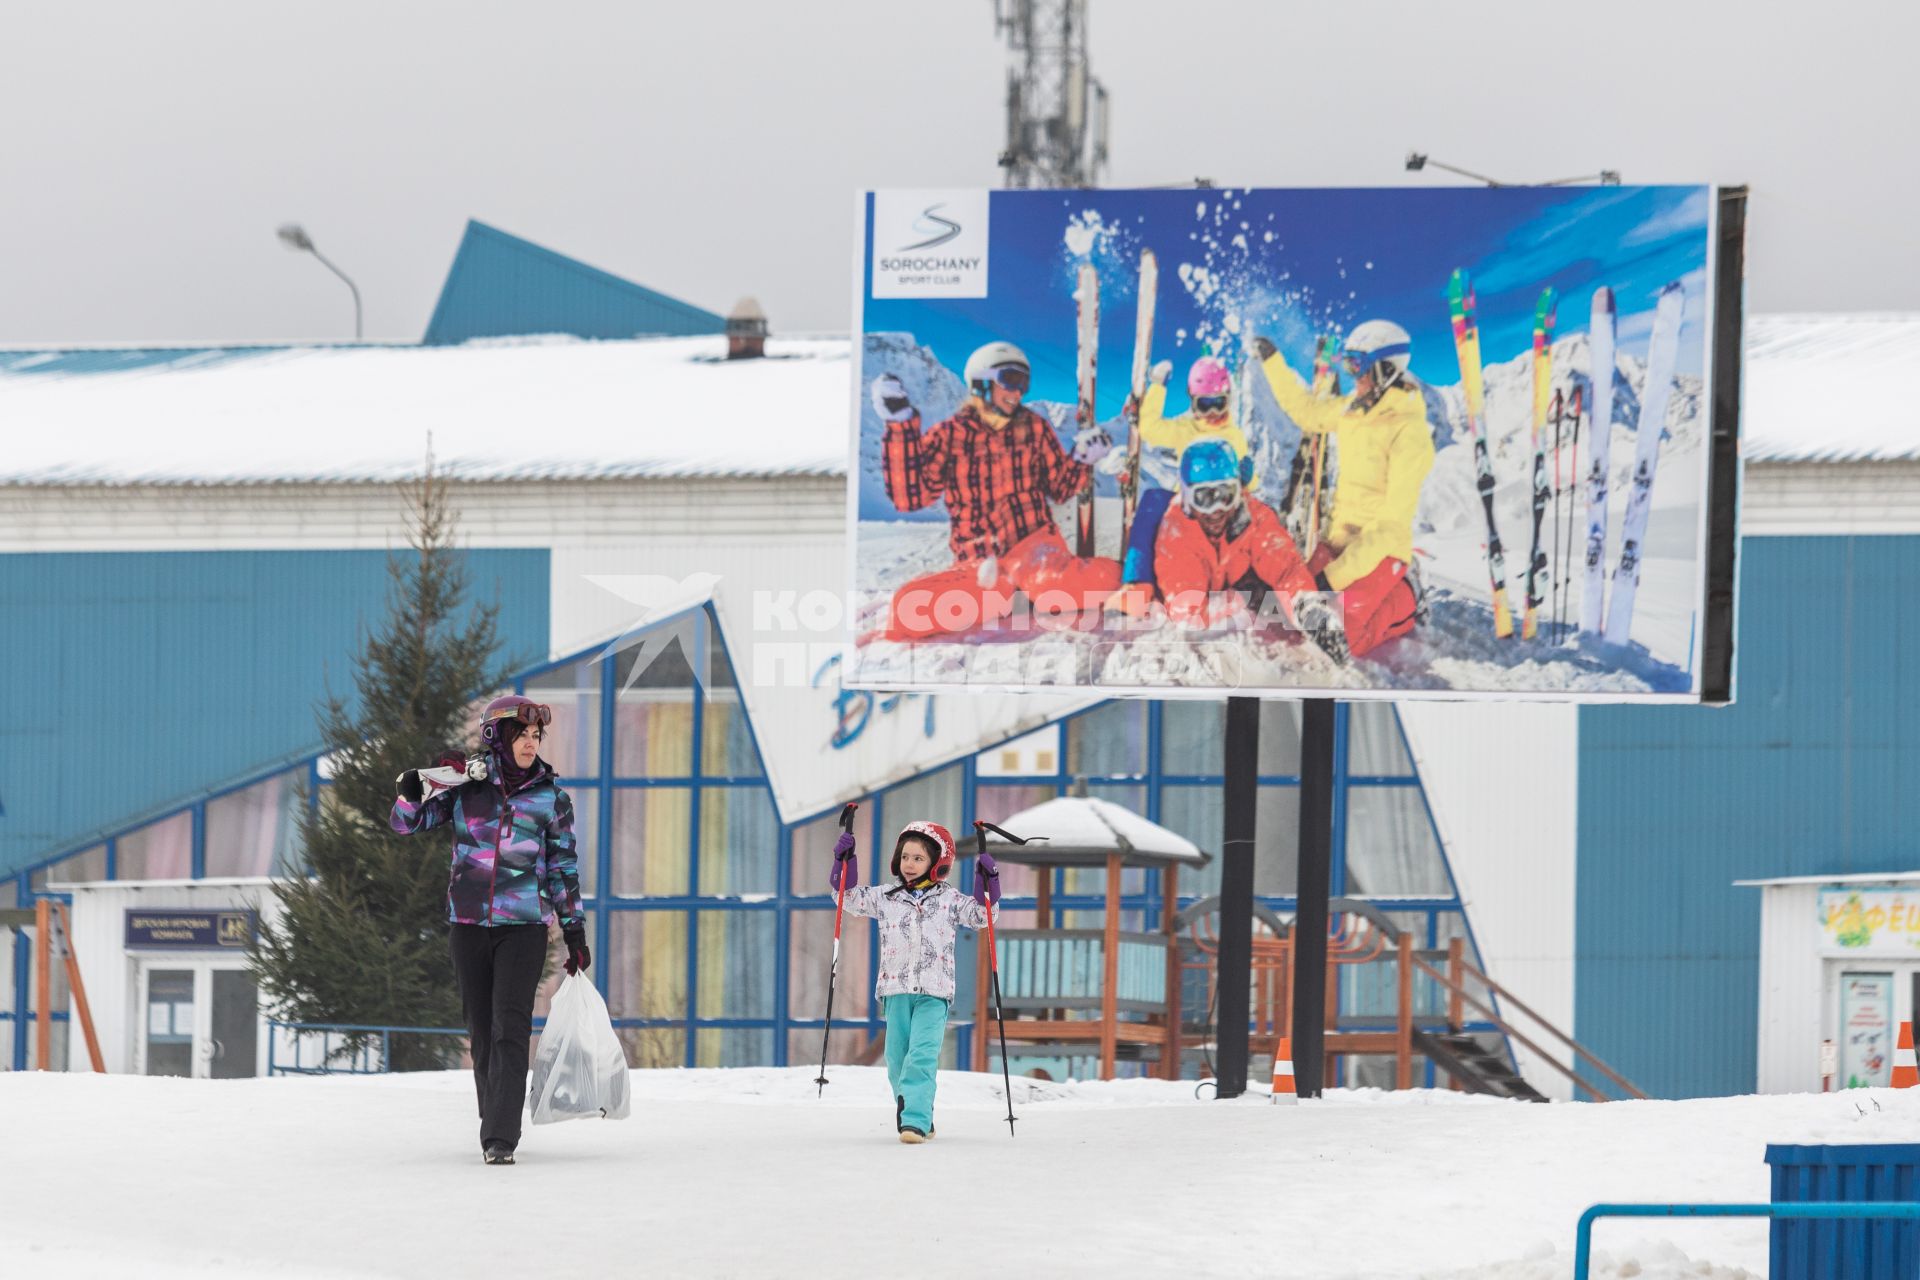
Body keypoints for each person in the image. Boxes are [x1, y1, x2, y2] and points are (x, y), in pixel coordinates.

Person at [390, 694, 588, 1166]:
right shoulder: (464, 788)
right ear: (497, 737)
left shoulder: (551, 799)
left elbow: (563, 867)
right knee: (481, 1031)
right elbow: (406, 824)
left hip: (523, 927)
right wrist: (415, 789)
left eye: (536, 736)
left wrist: (574, 931)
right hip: (468, 923)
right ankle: (493, 1122)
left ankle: (501, 1137)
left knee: (510, 1028)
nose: (529, 743)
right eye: (521, 735)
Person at [871, 341, 1121, 641]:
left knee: (1054, 589)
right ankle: (1006, 595)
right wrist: (899, 426)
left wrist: (1082, 460)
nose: (1018, 392)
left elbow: (1061, 487)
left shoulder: (1034, 427)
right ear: (981, 381)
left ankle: (1128, 576)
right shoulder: (950, 435)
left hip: (1034, 547)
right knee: (908, 610)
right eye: (1011, 380)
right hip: (979, 560)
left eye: (1024, 383)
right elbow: (910, 497)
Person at [1254, 320, 1434, 657]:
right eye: (1348, 363)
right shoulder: (1353, 410)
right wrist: (1272, 362)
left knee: (1342, 640)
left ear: (1385, 368)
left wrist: (1333, 578)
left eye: (1357, 365)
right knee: (1285, 618)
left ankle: (1409, 594)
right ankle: (1367, 589)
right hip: (1339, 541)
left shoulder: (1409, 433)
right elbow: (1307, 413)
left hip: (1381, 552)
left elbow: (1391, 526)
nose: (1353, 374)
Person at [827, 820, 999, 1142]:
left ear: (937, 862)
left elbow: (982, 915)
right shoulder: (886, 897)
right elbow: (845, 899)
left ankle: (915, 1122)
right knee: (896, 1062)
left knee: (920, 1056)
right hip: (895, 990)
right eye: (905, 856)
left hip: (934, 994)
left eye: (918, 858)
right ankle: (918, 1113)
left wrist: (987, 884)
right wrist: (844, 863)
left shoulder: (950, 901)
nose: (909, 864)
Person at [1154, 439, 1346, 660]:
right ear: (1187, 497)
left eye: (1226, 495)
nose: (1217, 510)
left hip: (1241, 597)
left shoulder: (1253, 517)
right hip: (1215, 618)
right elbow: (1189, 617)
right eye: (1205, 498)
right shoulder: (1176, 534)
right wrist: (1242, 600)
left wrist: (1307, 607)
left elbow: (1286, 568)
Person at [1108, 355, 1260, 618]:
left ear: (1229, 399)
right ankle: (1137, 584)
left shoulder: (1235, 436)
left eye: (1219, 404)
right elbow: (1150, 429)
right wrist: (1157, 387)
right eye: (1205, 405)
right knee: (1153, 498)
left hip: (1222, 510)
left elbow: (1246, 485)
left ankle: (1248, 579)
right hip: (1188, 506)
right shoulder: (1184, 429)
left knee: (1256, 514)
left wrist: (1249, 478)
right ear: (1192, 402)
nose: (1212, 414)